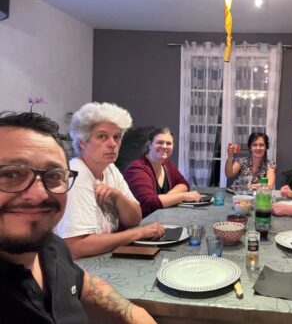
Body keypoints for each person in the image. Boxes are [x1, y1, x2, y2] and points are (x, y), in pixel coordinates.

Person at [0, 111, 156, 323]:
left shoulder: (51, 246)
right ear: (82, 143)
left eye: (53, 176)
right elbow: (78, 244)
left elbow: (81, 280)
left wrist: (131, 311)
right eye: (10, 174)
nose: (38, 194)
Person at [55, 103, 165, 259]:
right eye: (102, 136)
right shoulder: (77, 174)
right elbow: (75, 247)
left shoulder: (110, 169)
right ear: (82, 142)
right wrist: (136, 234)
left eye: (117, 137)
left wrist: (117, 196)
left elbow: (134, 218)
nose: (113, 144)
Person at [124, 127, 202, 217]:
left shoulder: (165, 164)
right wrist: (183, 196)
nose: (164, 146)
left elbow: (183, 183)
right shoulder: (136, 169)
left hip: (159, 219)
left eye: (168, 143)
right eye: (159, 142)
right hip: (140, 224)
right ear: (149, 145)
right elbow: (148, 203)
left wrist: (169, 197)